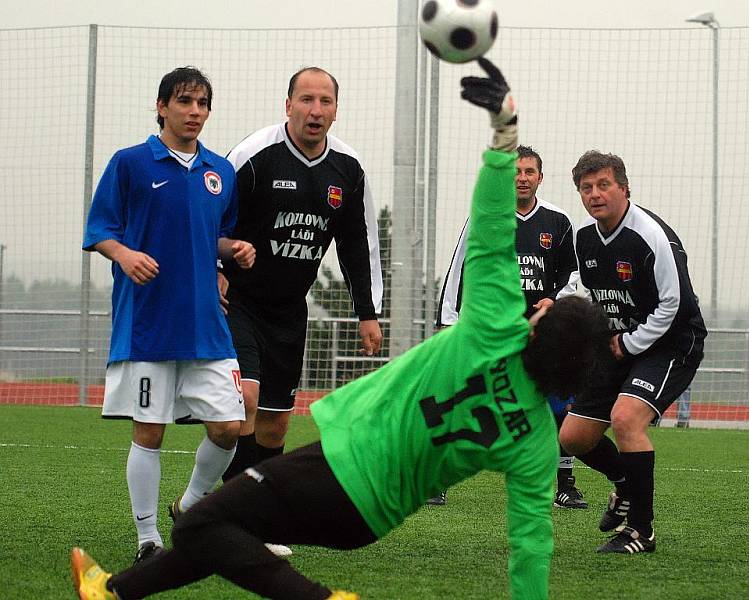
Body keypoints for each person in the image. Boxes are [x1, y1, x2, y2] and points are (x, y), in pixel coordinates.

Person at [71, 58, 611, 600]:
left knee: (197, 525)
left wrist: (504, 135)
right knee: (225, 528)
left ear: (536, 327)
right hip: (374, 519)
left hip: (343, 465)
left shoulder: (493, 327)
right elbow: (531, 541)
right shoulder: (539, 439)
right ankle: (113, 592)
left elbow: (492, 228)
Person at [81, 66, 256, 565]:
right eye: (184, 102)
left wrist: (234, 249)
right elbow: (100, 230)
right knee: (150, 431)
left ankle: (191, 507)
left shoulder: (219, 172)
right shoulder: (131, 163)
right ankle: (148, 539)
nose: (194, 112)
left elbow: (213, 236)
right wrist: (124, 254)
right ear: (162, 106)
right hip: (150, 325)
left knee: (229, 425)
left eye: (202, 103)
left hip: (207, 325)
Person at [214, 67, 384, 505]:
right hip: (237, 302)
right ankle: (234, 513)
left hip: (290, 310)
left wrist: (368, 312)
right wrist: (215, 265)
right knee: (244, 401)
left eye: (324, 102)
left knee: (275, 424)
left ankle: (221, 509)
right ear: (287, 105)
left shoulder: (348, 169)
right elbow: (211, 216)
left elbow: (356, 243)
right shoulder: (254, 154)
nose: (315, 110)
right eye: (306, 100)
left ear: (335, 111)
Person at [557, 150, 706, 553]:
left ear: (624, 188)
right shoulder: (585, 238)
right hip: (618, 342)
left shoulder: (651, 235)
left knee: (626, 419)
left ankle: (641, 530)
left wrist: (628, 343)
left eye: (604, 185)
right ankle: (624, 485)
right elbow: (591, 294)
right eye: (586, 188)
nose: (595, 194)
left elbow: (673, 305)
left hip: (672, 342)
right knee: (573, 437)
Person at [433, 144, 586, 509]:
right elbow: (461, 270)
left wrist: (557, 302)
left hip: (542, 332)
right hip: (493, 330)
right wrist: (448, 321)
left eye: (529, 172)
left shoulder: (558, 221)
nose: (522, 178)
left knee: (558, 405)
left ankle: (565, 482)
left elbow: (574, 275)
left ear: (540, 178)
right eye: (516, 171)